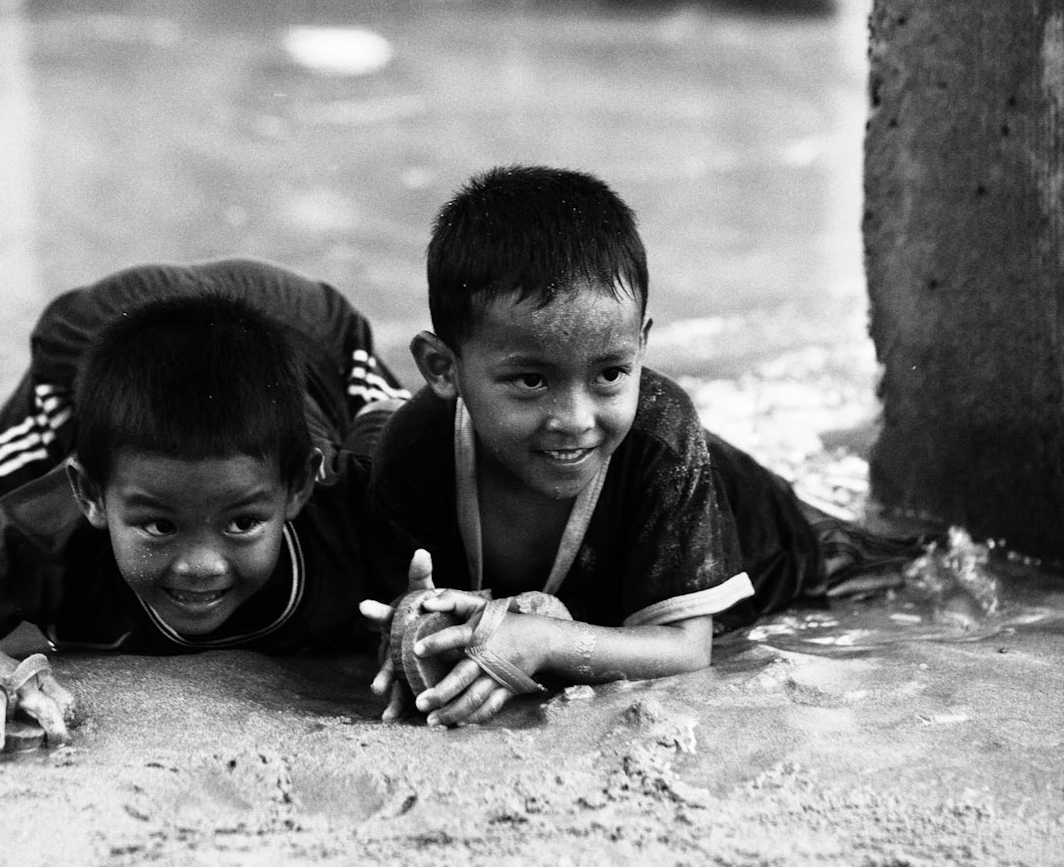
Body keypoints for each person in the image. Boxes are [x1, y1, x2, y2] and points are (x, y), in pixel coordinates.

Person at [363, 165, 922, 728]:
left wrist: (545, 641)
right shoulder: (413, 454)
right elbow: (421, 615)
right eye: (531, 381)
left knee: (926, 569)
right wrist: (414, 628)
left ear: (641, 347)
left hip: (812, 565)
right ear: (442, 368)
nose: (576, 420)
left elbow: (685, 651)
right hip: (631, 583)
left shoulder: (665, 439)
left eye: (610, 373)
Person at [0, 268, 402, 755]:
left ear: (298, 489)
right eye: (159, 526)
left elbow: (458, 557)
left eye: (242, 523)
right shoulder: (47, 530)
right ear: (88, 494)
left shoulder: (353, 503)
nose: (201, 565)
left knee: (415, 442)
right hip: (105, 318)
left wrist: (434, 612)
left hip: (310, 332)